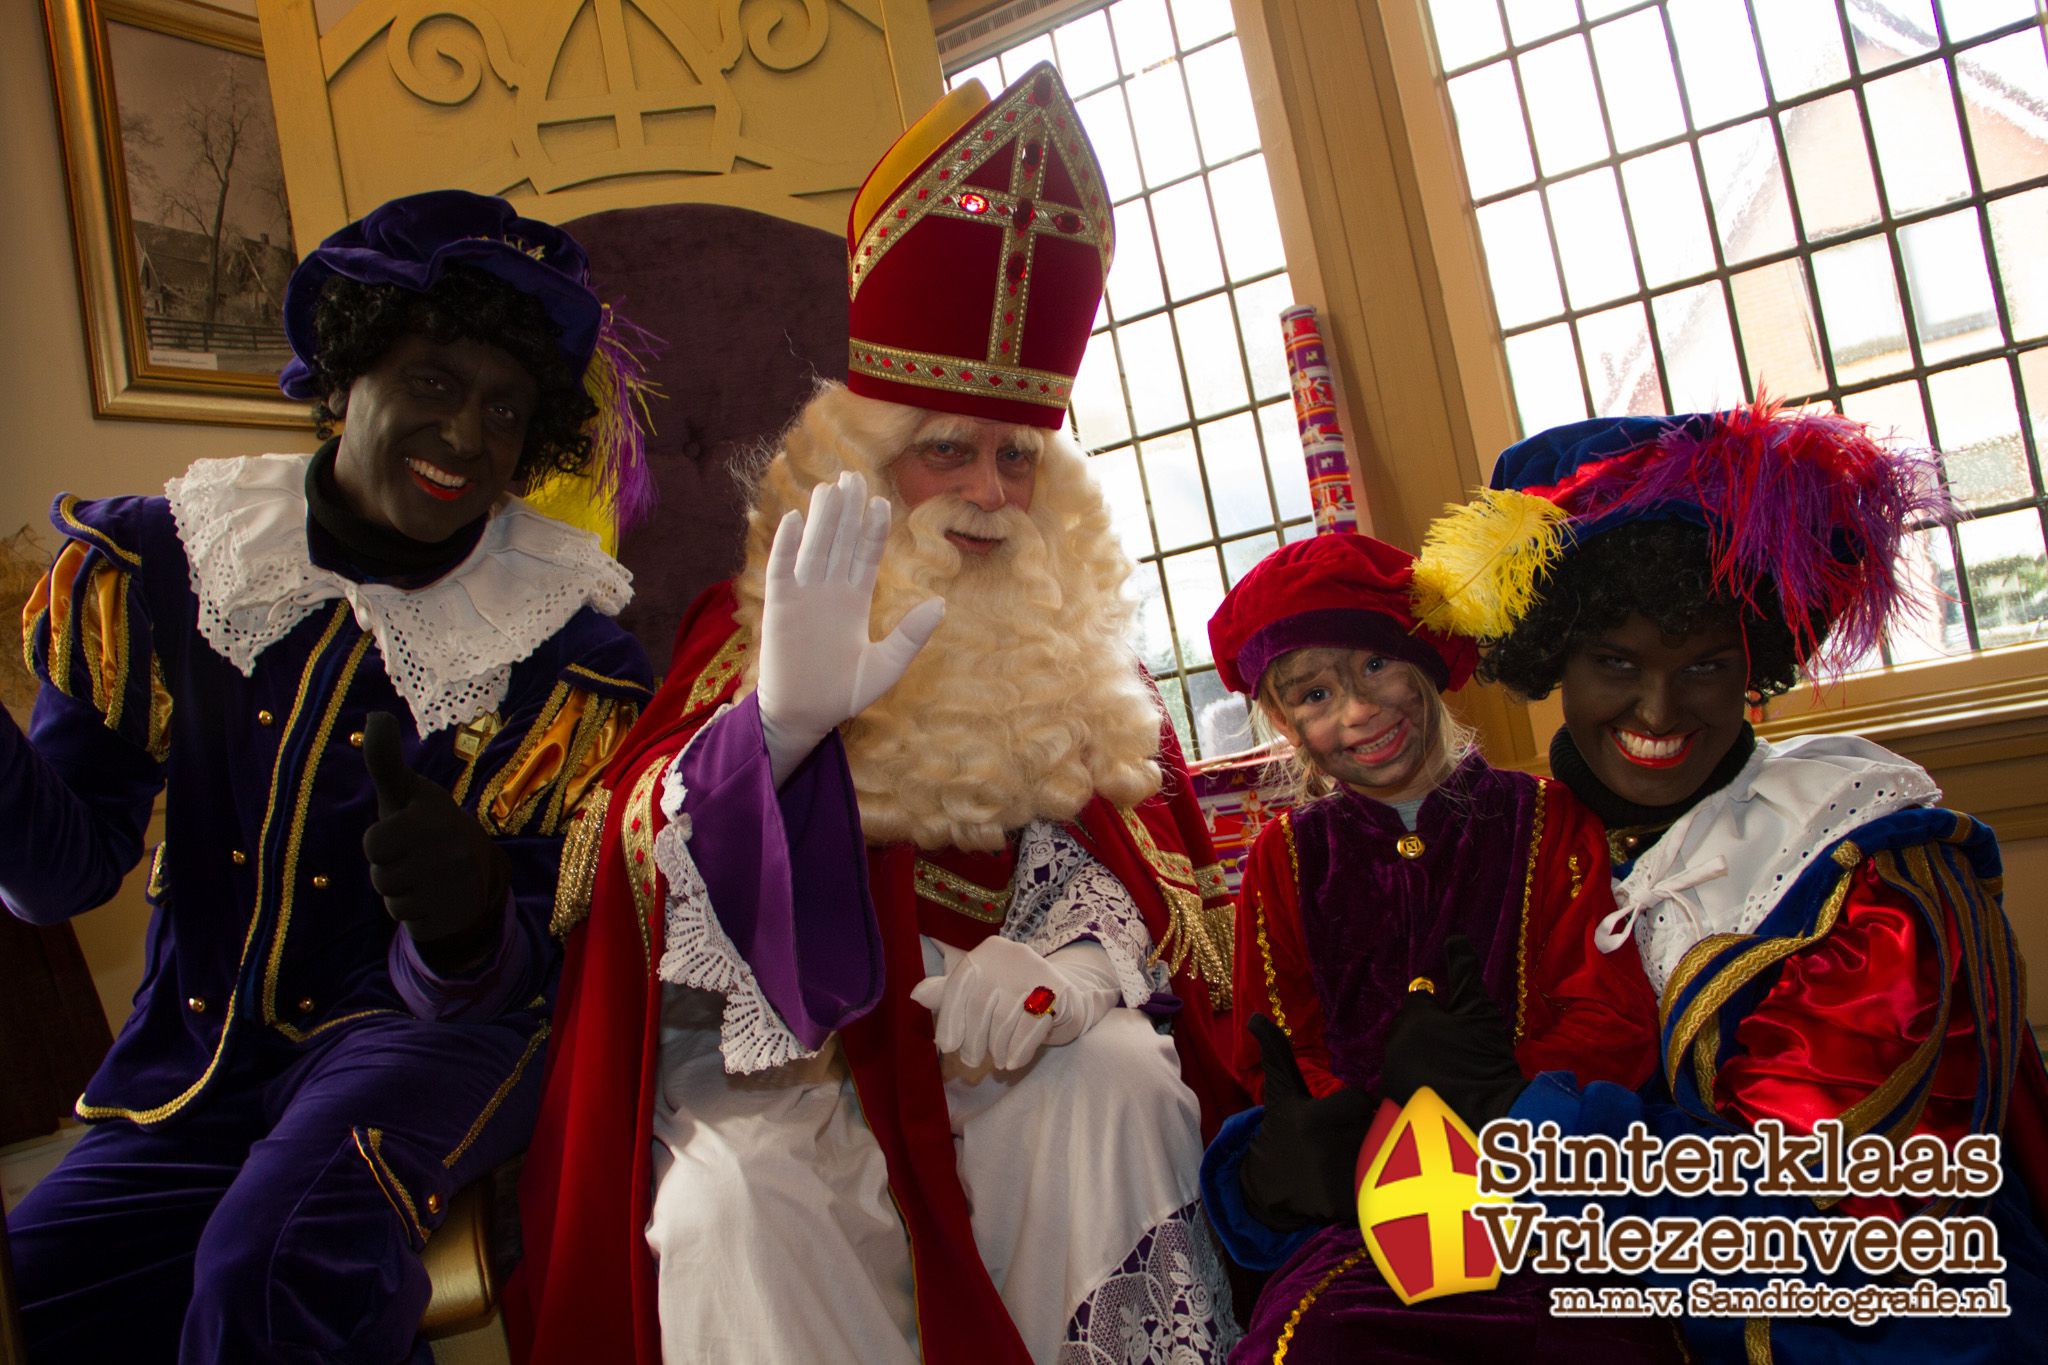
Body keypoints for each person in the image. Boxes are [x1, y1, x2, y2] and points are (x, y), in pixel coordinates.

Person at [509, 63, 1245, 1365]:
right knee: (728, 1207)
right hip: (797, 1081)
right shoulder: (752, 628)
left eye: (1016, 453)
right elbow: (620, 870)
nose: (986, 489)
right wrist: (774, 736)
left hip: (987, 1063)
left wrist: (1071, 972)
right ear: (866, 456)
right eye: (944, 450)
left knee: (1124, 1077)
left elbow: (1159, 874)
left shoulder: (1072, 644)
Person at [1, 189, 656, 1363]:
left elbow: (524, 971)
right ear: (347, 374)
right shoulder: (167, 563)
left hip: (422, 1043)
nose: (467, 435)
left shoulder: (567, 647)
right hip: (193, 1063)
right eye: (437, 381)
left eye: (506, 409)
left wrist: (461, 922)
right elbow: (54, 878)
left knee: (271, 1267)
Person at [1390, 401, 2048, 1360]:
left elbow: (1834, 1207)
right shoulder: (1508, 841)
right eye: (1616, 660)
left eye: (1704, 663)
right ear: (1553, 658)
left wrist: (1518, 1121)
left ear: (1755, 662)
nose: (1659, 707)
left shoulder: (1859, 859)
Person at [1194, 531, 1675, 1361]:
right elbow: (1279, 1044)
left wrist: (1493, 1099)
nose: (1355, 712)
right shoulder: (1286, 856)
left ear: (1422, 659)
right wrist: (1366, 1126)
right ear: (1282, 721)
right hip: (1367, 1221)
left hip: (1545, 1202)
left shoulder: (1547, 819)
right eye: (1313, 694)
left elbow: (1612, 1017)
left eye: (1375, 667)